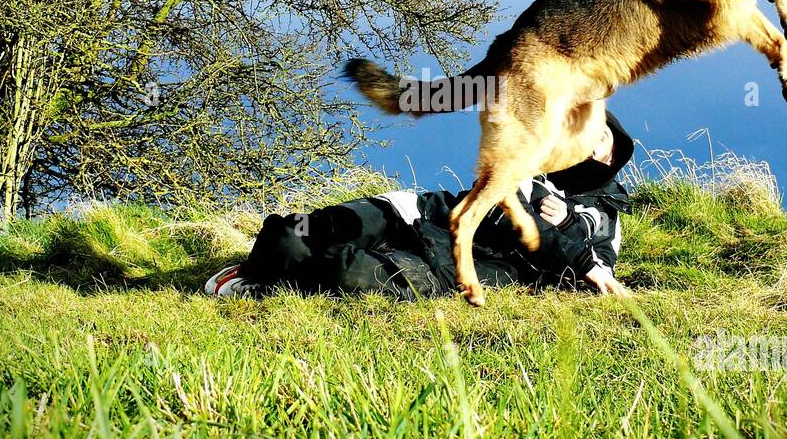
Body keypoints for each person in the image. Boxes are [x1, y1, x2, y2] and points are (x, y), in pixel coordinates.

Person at [205, 112, 636, 300]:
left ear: (612, 156)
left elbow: (594, 269)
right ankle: (259, 272)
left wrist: (575, 247)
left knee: (349, 273)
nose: (589, 143)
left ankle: (271, 280)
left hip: (465, 264)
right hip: (416, 212)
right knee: (300, 228)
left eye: (601, 138)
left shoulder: (605, 215)